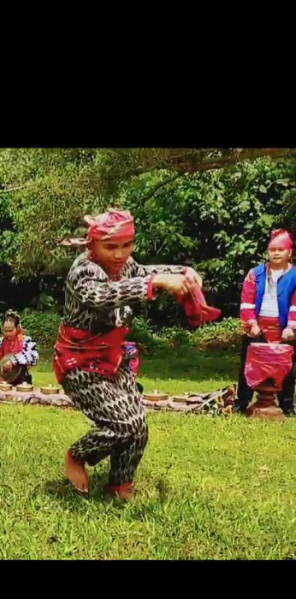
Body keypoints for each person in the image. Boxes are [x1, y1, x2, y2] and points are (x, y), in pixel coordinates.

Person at [54, 210, 209, 502]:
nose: (119, 254)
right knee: (124, 423)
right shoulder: (83, 271)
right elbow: (101, 296)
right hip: (80, 363)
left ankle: (120, 485)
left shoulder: (125, 265)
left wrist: (181, 273)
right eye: (110, 247)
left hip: (113, 357)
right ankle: (76, 455)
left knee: (138, 427)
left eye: (127, 246)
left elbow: (146, 273)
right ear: (93, 245)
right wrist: (156, 284)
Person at [236, 229, 296, 417]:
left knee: (288, 368)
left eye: (281, 249)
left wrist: (292, 326)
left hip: (285, 328)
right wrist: (251, 324)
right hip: (259, 325)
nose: (276, 253)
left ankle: (287, 405)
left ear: (289, 252)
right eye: (272, 249)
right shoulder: (255, 274)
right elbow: (246, 302)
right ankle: (242, 403)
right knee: (249, 365)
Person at [0, 312, 39, 386]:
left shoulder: (25, 341)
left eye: (10, 331)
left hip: (21, 379)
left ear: (17, 328)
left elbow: (34, 357)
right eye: (5, 331)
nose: (8, 333)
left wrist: (14, 360)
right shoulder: (0, 342)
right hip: (3, 378)